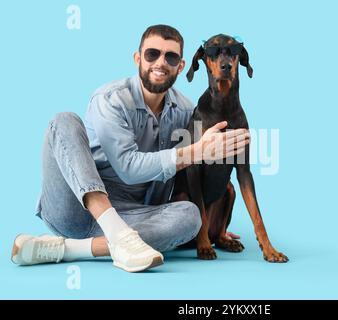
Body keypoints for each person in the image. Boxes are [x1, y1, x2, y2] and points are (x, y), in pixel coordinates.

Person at [11, 24, 250, 272]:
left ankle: (71, 249)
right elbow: (127, 168)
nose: (161, 62)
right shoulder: (110, 99)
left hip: (134, 218)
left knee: (190, 217)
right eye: (152, 54)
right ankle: (117, 235)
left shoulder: (187, 111)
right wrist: (196, 151)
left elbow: (193, 177)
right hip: (76, 209)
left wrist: (214, 224)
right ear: (138, 58)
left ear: (180, 66)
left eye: (171, 56)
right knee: (64, 120)